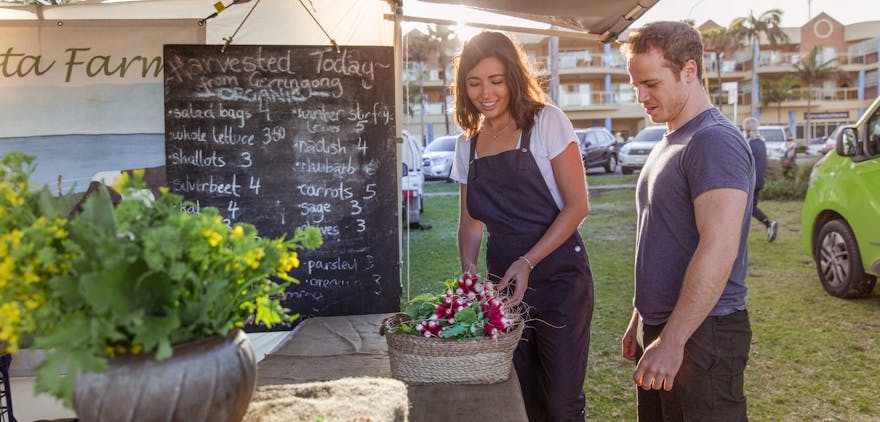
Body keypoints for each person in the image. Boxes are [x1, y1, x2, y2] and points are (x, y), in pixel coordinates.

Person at [449, 31, 594, 421]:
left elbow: (578, 206)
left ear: (513, 77)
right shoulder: (468, 144)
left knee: (562, 403)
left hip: (560, 279)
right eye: (474, 83)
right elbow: (470, 221)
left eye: (496, 80)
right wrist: (469, 270)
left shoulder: (547, 121)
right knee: (521, 398)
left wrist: (528, 261)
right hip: (505, 288)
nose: (486, 92)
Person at [619, 21, 755, 421]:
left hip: (703, 332)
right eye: (635, 85)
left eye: (651, 84)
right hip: (664, 327)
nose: (641, 96)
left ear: (689, 71)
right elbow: (661, 237)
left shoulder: (714, 140)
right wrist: (639, 319)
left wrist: (673, 340)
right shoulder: (671, 139)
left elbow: (719, 247)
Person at [743, 117, 779, 242]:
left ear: (747, 129)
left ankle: (769, 224)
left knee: (748, 207)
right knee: (748, 207)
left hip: (750, 180)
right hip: (759, 180)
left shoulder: (749, 144)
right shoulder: (761, 143)